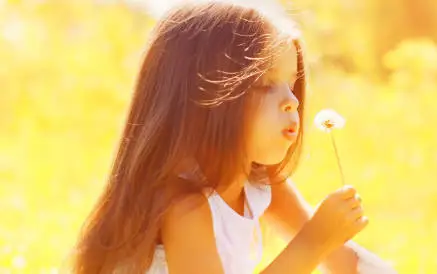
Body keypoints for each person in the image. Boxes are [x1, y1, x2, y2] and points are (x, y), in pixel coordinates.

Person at [72, 1, 396, 273]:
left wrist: (363, 260)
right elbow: (316, 242)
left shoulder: (259, 181)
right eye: (265, 84)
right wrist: (315, 240)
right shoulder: (185, 207)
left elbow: (342, 260)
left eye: (291, 84)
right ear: (205, 98)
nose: (292, 101)